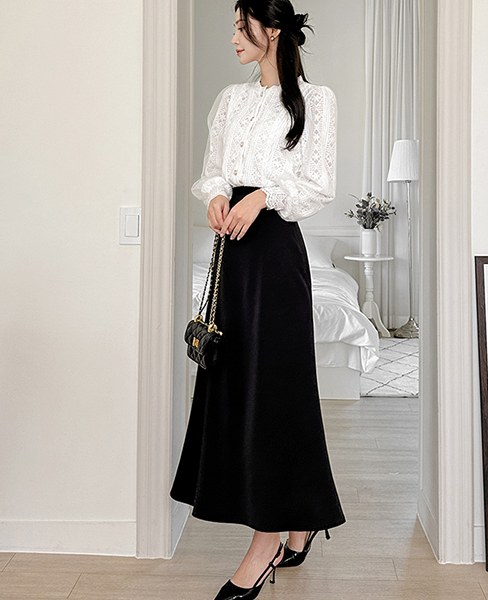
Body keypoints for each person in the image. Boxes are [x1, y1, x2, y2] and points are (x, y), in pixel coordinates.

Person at [169, 1, 346, 598]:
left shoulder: (316, 101)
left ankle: (265, 541)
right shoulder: (230, 100)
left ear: (272, 31)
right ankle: (298, 520)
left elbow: (318, 183)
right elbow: (214, 169)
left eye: (242, 27)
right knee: (239, 387)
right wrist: (218, 195)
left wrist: (262, 195)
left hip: (274, 255)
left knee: (276, 393)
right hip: (232, 256)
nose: (234, 38)